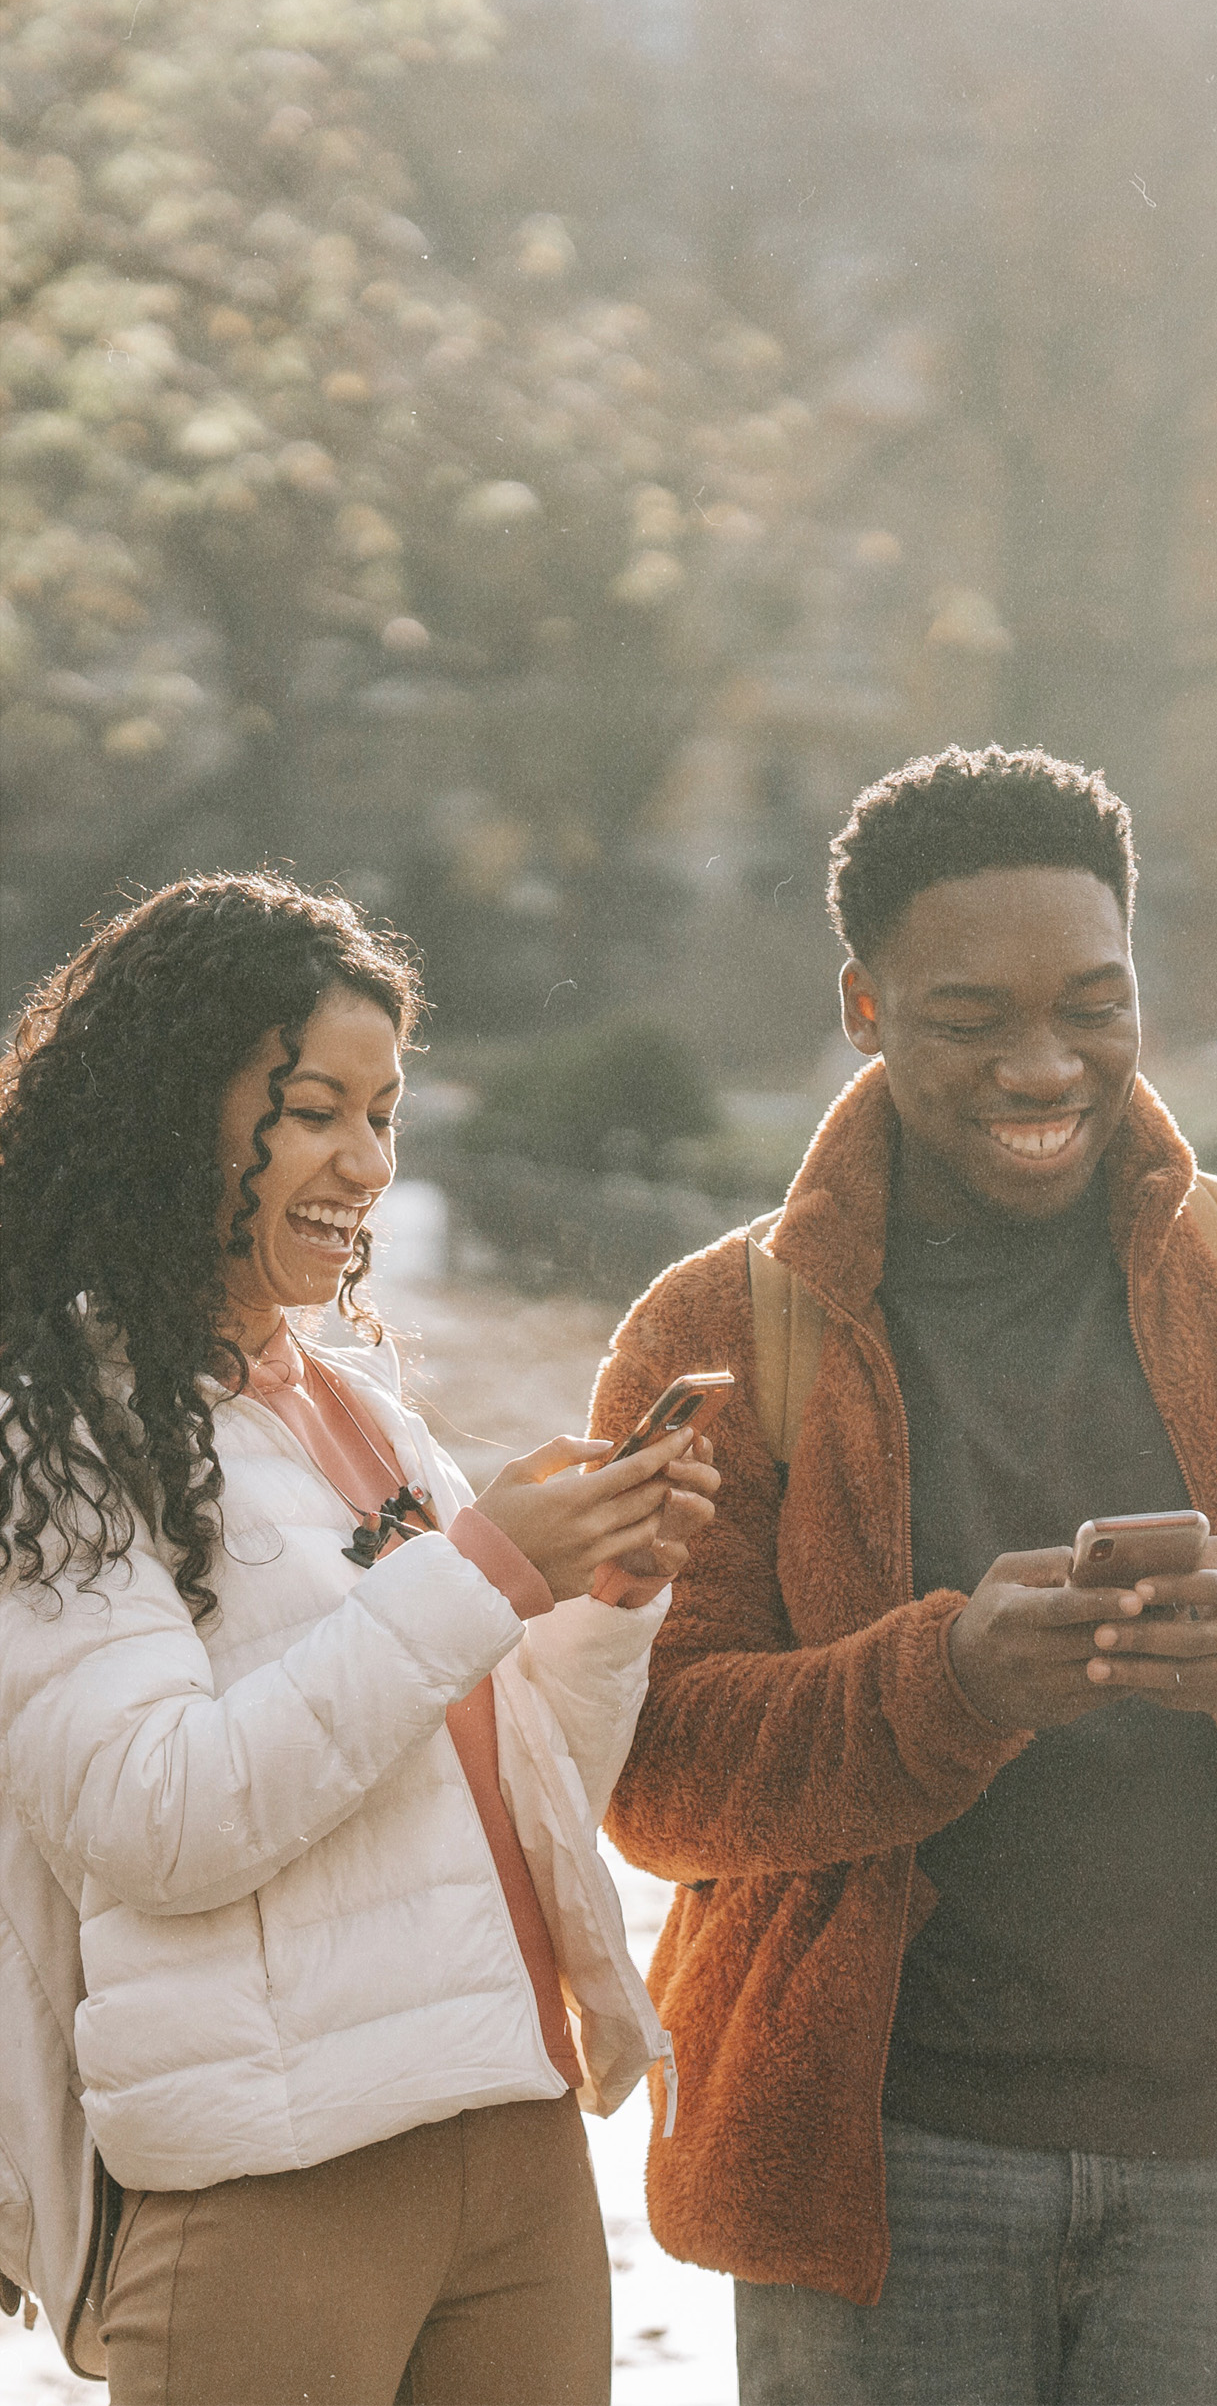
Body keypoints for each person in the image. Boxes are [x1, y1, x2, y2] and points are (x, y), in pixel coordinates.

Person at [593, 745, 1217, 2406]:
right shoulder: (717, 1333)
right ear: (864, 1007)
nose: (1044, 1066)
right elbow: (651, 1770)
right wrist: (944, 1685)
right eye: (971, 1020)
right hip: (878, 2172)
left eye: (1095, 1007)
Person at [0, 873, 719, 2406]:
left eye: (383, 1116)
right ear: (171, 1116)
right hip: (278, 2189)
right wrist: (478, 1572)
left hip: (519, 2150)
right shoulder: (57, 1437)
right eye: (315, 1110)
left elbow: (528, 1798)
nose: (366, 1162)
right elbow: (154, 1821)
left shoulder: (364, 1415)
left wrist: (603, 1596)